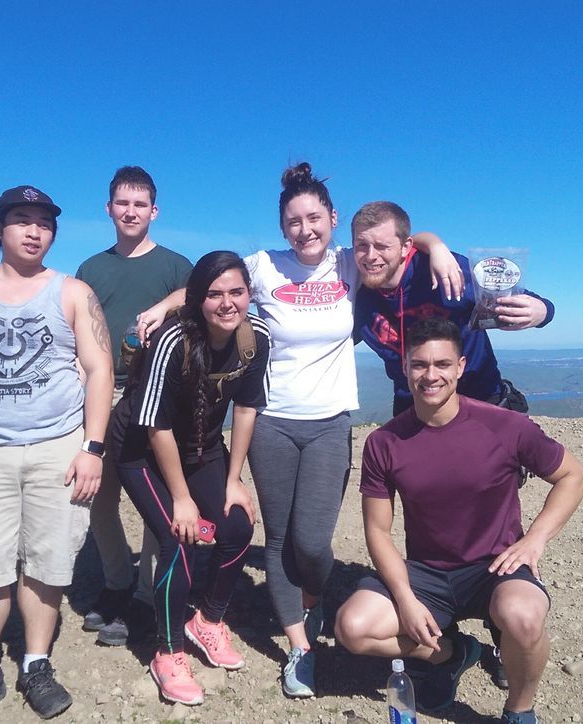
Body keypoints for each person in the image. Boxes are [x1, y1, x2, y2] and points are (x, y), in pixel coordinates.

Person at [137, 163, 463, 697]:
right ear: (282, 225)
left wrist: (437, 246)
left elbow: (406, 238)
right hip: (272, 421)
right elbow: (208, 284)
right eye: (294, 220)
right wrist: (161, 306)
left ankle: (309, 605)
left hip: (331, 421)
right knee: (280, 538)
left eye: (314, 217)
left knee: (313, 544)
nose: (305, 228)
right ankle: (300, 647)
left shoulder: (349, 263)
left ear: (332, 219)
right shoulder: (265, 265)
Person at [334, 318, 583, 724]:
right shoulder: (384, 442)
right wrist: (405, 598)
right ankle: (455, 652)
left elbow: (572, 476)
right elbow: (378, 530)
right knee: (353, 627)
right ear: (404, 367)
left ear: (461, 366)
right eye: (419, 365)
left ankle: (520, 711)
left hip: (496, 566)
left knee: (523, 618)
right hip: (427, 573)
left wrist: (535, 539)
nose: (430, 375)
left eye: (442, 364)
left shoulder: (505, 426)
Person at [0, 184, 113, 721]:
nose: (34, 230)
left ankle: (36, 663)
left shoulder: (73, 293)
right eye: (21, 219)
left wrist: (92, 447)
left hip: (59, 446)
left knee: (49, 561)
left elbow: (100, 369)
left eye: (44, 222)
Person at [108, 250, 268, 706]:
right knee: (178, 538)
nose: (226, 303)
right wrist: (181, 498)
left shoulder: (254, 338)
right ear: (197, 299)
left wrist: (234, 479)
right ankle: (168, 651)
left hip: (201, 448)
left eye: (236, 292)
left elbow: (248, 406)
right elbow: (155, 426)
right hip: (142, 450)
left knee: (237, 525)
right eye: (214, 294)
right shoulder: (174, 341)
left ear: (248, 295)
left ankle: (209, 621)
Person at [75, 166, 192, 647]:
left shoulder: (174, 266)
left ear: (154, 211)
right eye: (122, 203)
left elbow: (200, 291)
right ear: (109, 209)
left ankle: (145, 596)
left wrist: (165, 305)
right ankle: (118, 582)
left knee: (152, 502)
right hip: (103, 393)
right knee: (98, 502)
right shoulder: (90, 270)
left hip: (158, 398)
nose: (130, 212)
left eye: (139, 204)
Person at [352, 201, 554, 417]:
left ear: (405, 247)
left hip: (479, 400)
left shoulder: (445, 270)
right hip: (413, 406)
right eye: (362, 245)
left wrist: (541, 311)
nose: (371, 256)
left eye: (382, 246)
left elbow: (527, 301)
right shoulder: (357, 294)